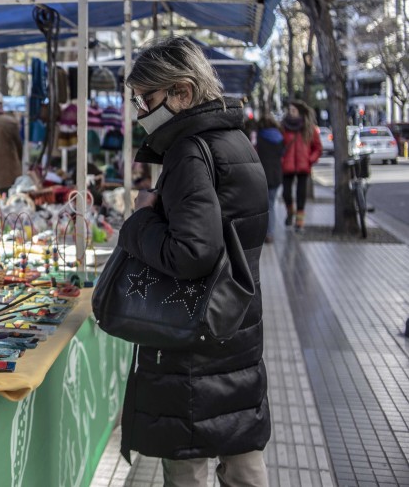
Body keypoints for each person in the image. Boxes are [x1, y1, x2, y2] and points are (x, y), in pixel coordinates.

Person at [118, 36, 270, 486]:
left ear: (182, 93)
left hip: (192, 340)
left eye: (146, 99)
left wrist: (140, 221)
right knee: (242, 456)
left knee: (187, 467)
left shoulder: (189, 152)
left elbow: (191, 253)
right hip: (235, 325)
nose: (140, 111)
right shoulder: (235, 140)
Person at [280, 100, 322, 231]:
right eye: (290, 110)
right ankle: (290, 212)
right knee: (286, 194)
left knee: (301, 195)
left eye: (293, 110)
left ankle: (299, 222)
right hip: (287, 166)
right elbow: (278, 145)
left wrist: (310, 159)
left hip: (303, 166)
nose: (291, 113)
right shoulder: (283, 127)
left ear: (300, 112)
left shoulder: (309, 128)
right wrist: (281, 159)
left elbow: (318, 147)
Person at [256, 114, 285, 243]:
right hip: (276, 175)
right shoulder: (279, 138)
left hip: (262, 175)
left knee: (263, 206)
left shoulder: (259, 137)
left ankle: (264, 232)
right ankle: (270, 233)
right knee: (271, 204)